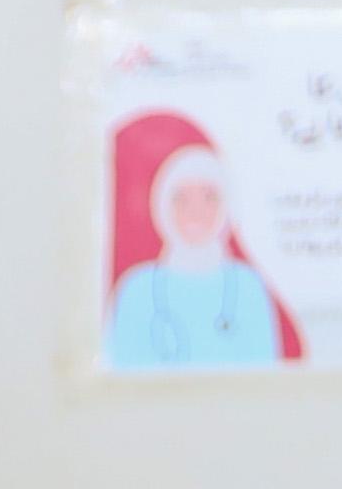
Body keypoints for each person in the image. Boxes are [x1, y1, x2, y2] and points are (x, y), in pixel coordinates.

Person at [102, 111, 296, 368]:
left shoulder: (248, 287)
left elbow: (266, 379)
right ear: (161, 206)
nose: (195, 212)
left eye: (209, 198)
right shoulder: (136, 290)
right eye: (181, 199)